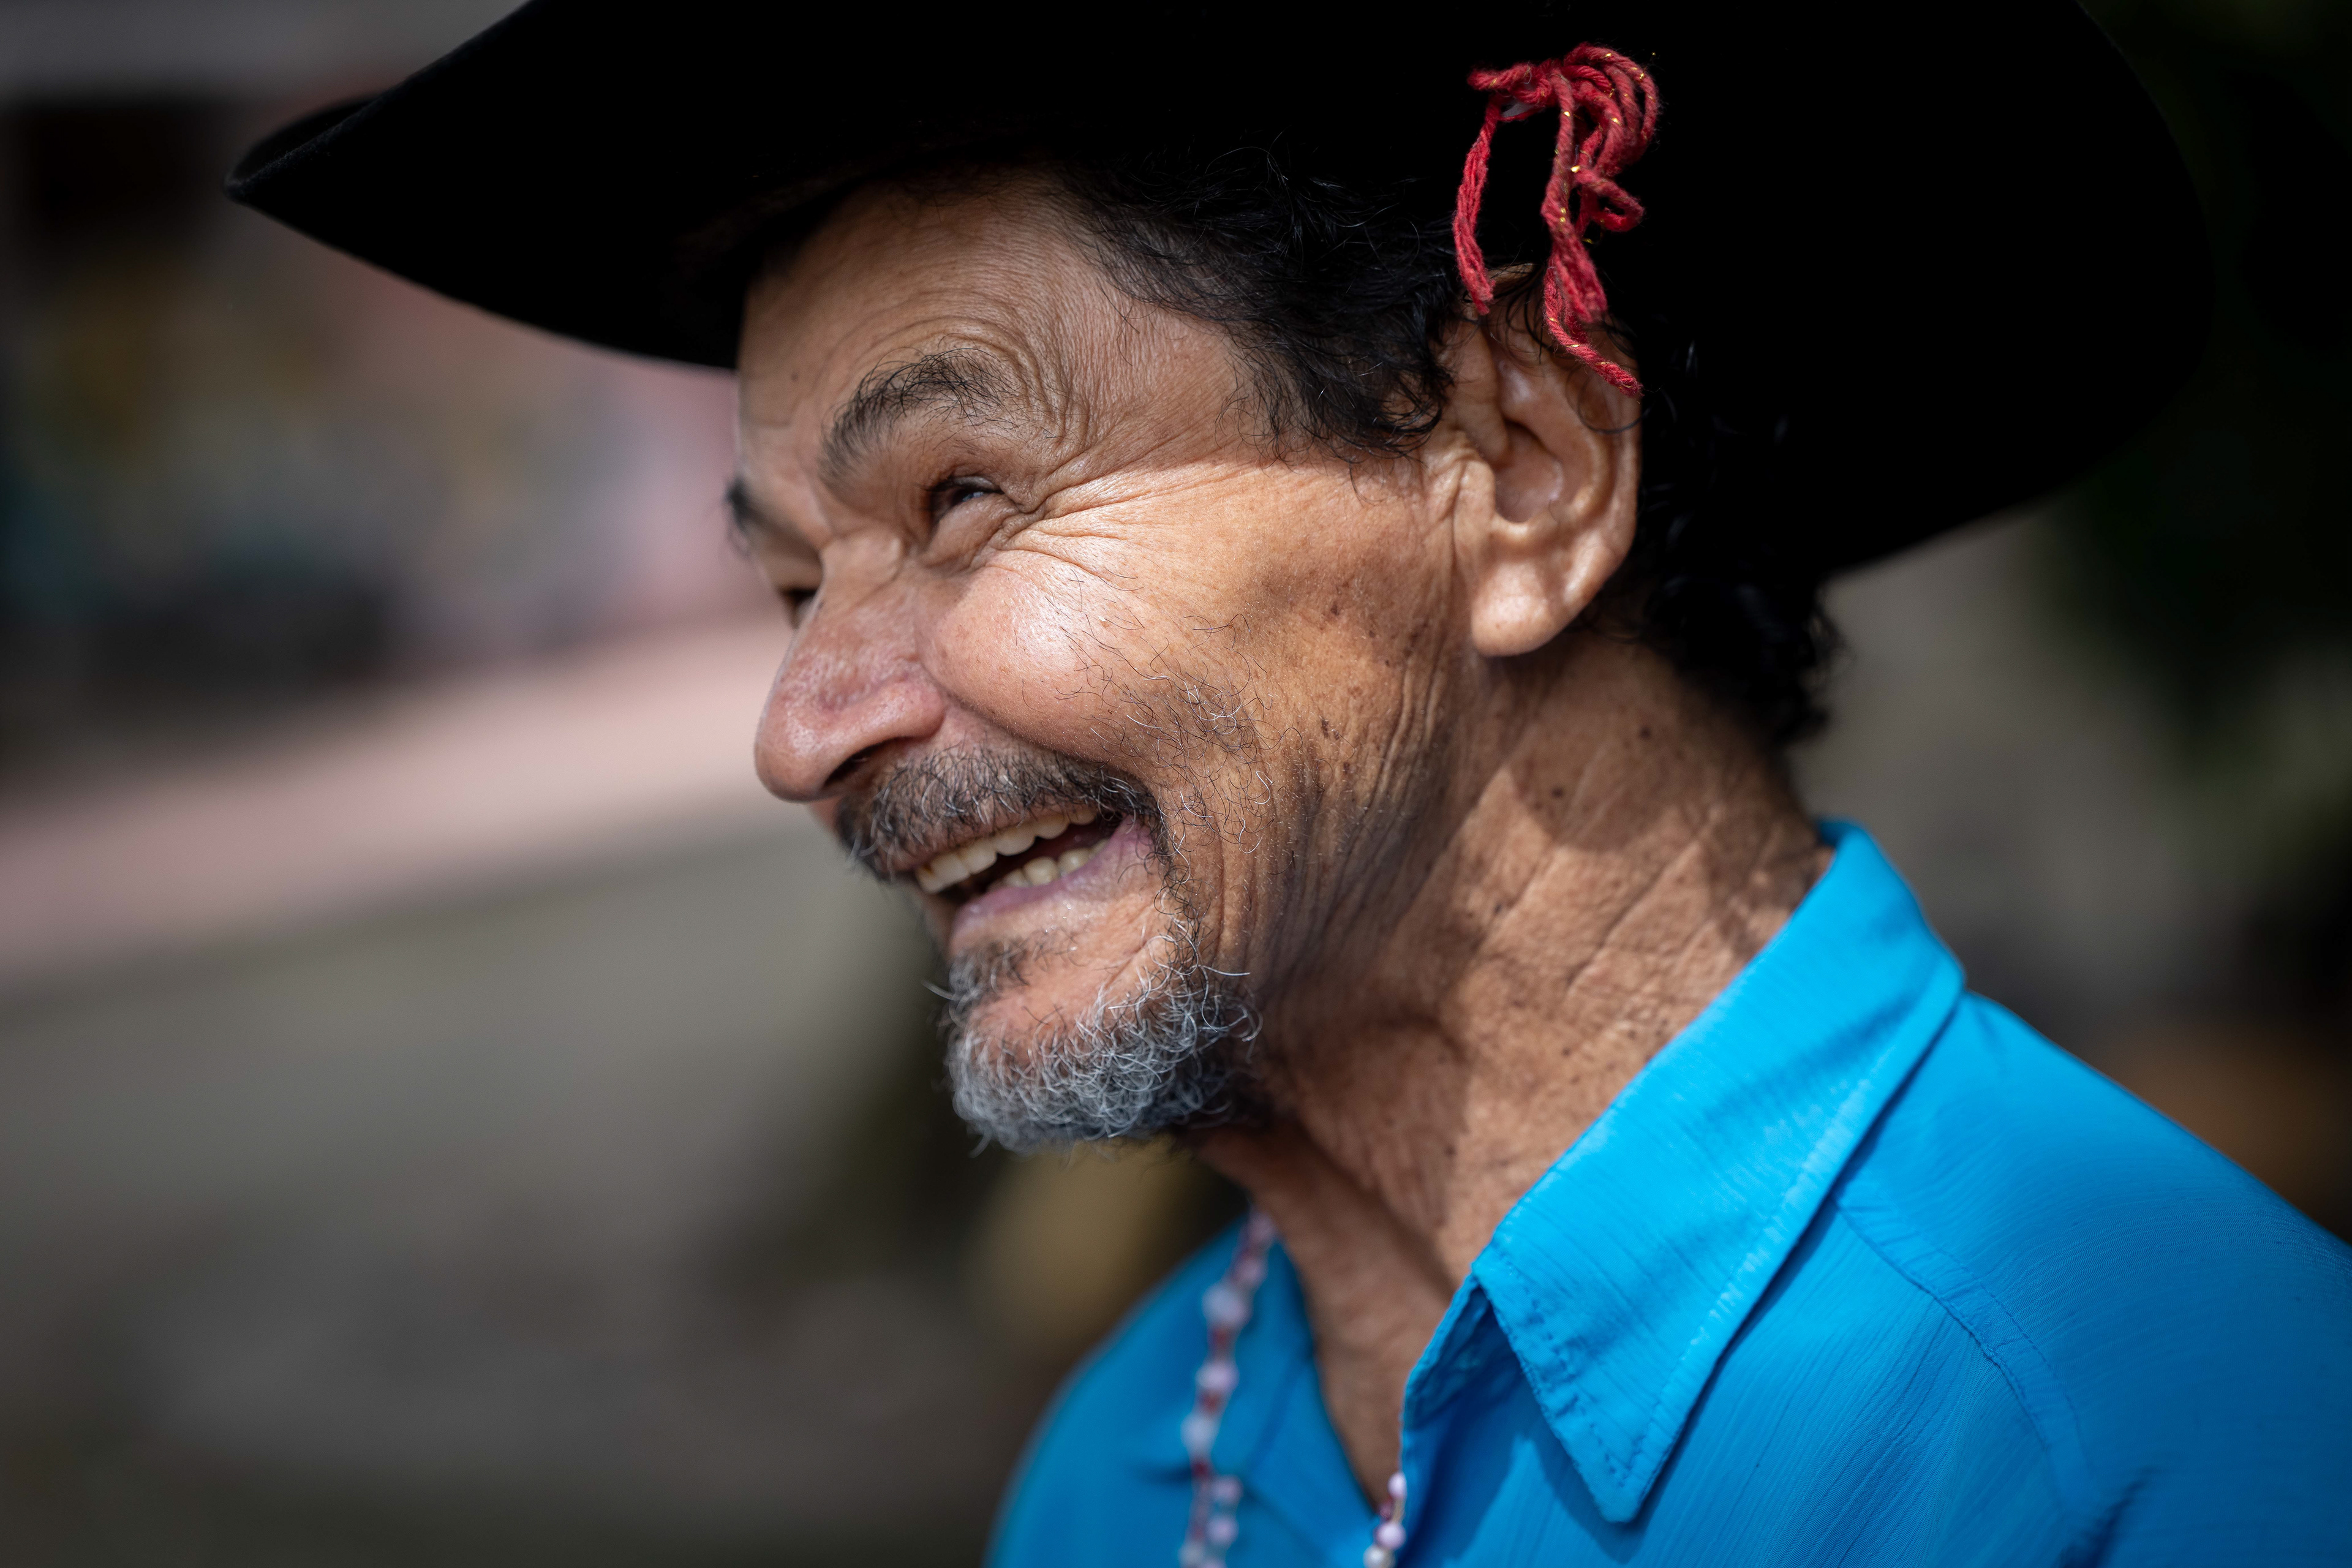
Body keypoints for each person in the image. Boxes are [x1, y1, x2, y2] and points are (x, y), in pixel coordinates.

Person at [230, 2, 2352, 1562]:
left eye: (961, 496)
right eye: (795, 585)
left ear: (1517, 471)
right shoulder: (1129, 1468)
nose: (803, 729)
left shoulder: (2168, 1434)